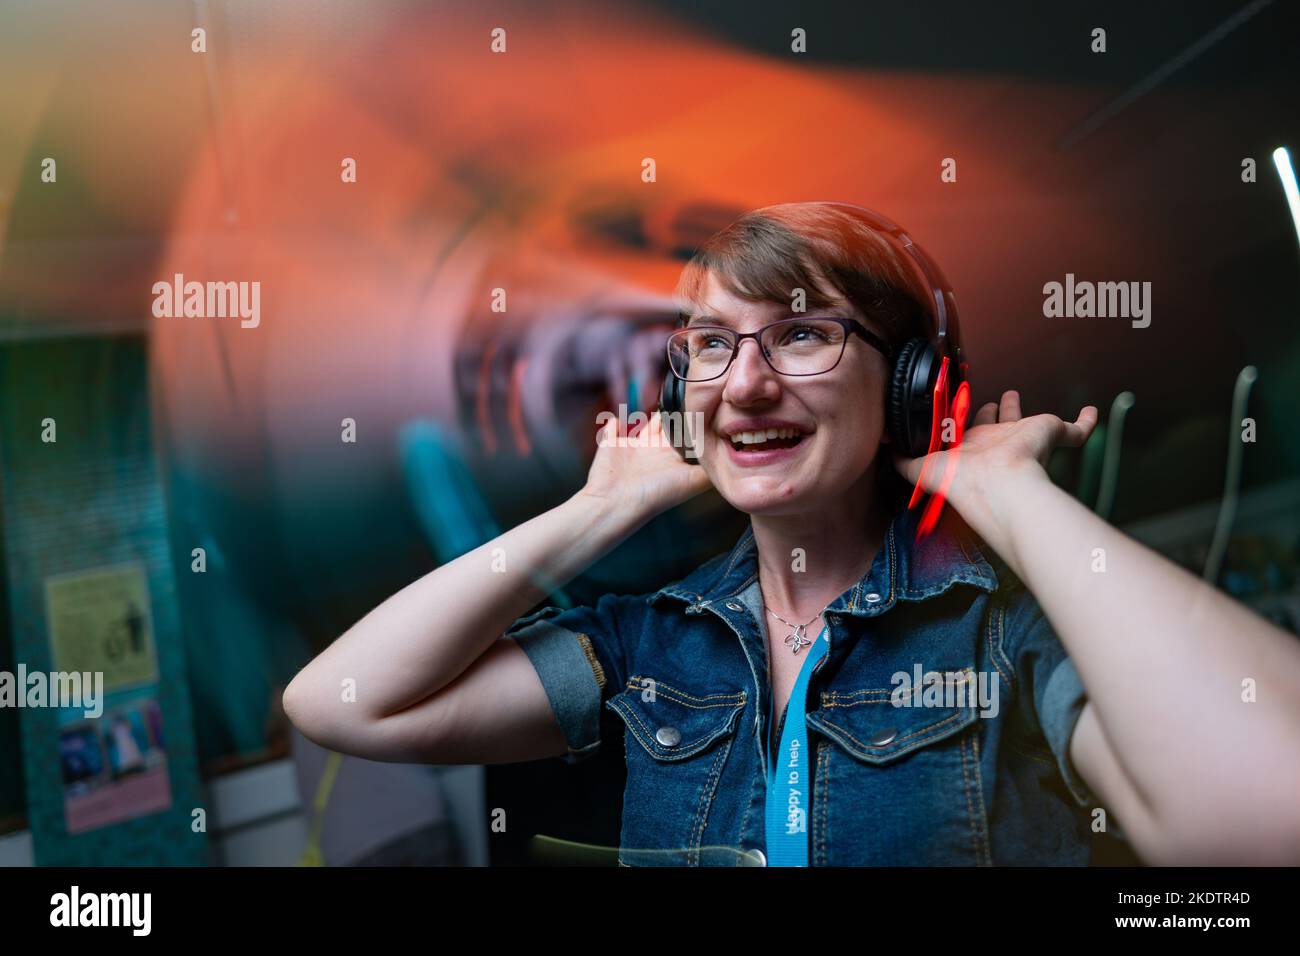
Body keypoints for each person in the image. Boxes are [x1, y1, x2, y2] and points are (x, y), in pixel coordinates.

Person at [283, 202, 1300, 866]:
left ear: (912, 383)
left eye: (803, 333)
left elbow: (1266, 812)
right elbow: (341, 701)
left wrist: (1003, 488)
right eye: (713, 346)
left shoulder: (1000, 637)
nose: (747, 382)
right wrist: (597, 508)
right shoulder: (647, 645)